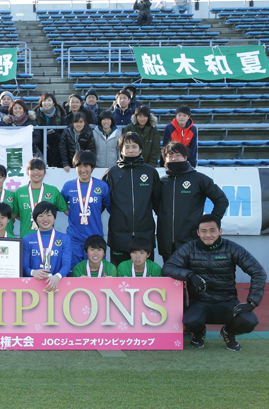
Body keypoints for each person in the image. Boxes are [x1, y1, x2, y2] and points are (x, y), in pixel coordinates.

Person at [162, 214, 265, 351]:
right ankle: (198, 333)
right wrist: (190, 275)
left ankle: (228, 332)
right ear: (198, 232)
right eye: (203, 231)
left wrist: (252, 302)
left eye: (212, 230)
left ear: (220, 231)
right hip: (200, 302)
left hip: (228, 301)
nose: (208, 235)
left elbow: (258, 272)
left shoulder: (232, 248)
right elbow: (167, 268)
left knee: (249, 321)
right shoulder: (189, 248)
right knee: (189, 321)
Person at [157, 142, 228, 262]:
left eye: (178, 155)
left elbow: (221, 200)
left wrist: (210, 223)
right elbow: (156, 206)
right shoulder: (161, 182)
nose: (174, 158)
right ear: (165, 160)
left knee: (192, 278)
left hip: (191, 240)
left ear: (185, 157)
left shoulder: (199, 179)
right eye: (170, 155)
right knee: (171, 277)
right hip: (167, 242)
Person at [102, 133, 160, 267]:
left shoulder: (151, 172)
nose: (131, 150)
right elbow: (101, 203)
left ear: (140, 149)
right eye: (127, 147)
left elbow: (158, 203)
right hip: (119, 236)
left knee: (146, 277)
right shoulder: (112, 173)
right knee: (120, 278)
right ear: (121, 150)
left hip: (144, 235)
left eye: (134, 146)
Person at [61, 151, 111, 266]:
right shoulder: (68, 186)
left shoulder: (102, 186)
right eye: (79, 166)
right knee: (74, 273)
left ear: (92, 167)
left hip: (95, 238)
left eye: (86, 166)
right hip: (74, 238)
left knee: (96, 275)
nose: (83, 170)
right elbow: (60, 203)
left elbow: (110, 207)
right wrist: (70, 213)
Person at [22, 201, 71, 292]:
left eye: (49, 215)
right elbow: (24, 267)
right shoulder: (27, 239)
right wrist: (33, 272)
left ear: (54, 217)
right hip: (33, 286)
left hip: (57, 285)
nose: (45, 219)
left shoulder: (64, 238)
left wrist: (57, 276)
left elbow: (67, 264)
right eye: (40, 216)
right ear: (35, 219)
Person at [15, 158, 68, 239]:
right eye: (32, 169)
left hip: (48, 238)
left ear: (44, 172)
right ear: (27, 172)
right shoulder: (19, 192)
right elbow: (14, 214)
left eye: (39, 169)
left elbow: (66, 211)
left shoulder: (53, 191)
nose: (36, 172)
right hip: (26, 237)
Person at [35, 93, 66, 168]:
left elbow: (65, 133)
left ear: (54, 103)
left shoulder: (61, 114)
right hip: (40, 145)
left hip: (57, 146)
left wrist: (55, 136)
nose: (46, 103)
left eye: (49, 100)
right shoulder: (35, 115)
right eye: (44, 101)